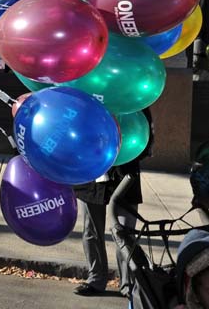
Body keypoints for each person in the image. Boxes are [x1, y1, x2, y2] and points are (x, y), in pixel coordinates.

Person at [74, 109, 154, 297]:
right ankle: (96, 279)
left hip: (125, 173)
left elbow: (145, 138)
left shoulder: (133, 99)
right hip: (93, 172)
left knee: (125, 233)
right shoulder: (89, 97)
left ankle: (128, 284)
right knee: (91, 230)